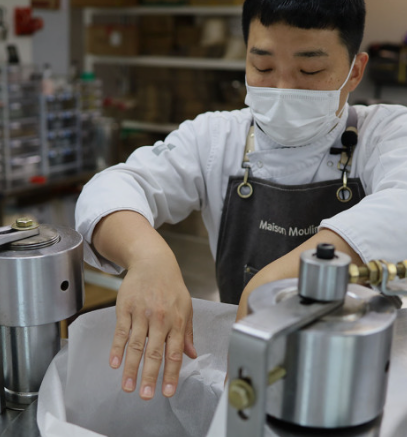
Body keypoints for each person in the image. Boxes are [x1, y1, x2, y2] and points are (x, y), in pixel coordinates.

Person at [76, 0, 407, 404]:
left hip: (364, 375)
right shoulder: (215, 138)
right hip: (247, 363)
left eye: (310, 70)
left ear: (355, 71)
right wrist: (147, 258)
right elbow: (114, 186)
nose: (282, 89)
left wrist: (274, 282)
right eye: (263, 67)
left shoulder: (385, 132)